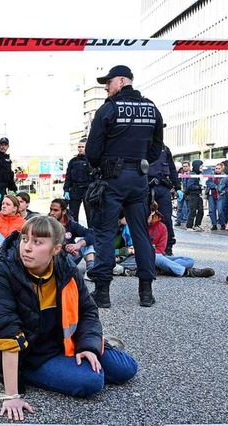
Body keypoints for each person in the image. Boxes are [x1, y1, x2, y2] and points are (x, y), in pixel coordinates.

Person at [0, 216, 137, 421]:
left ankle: (77, 357)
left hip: (62, 342)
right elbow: (6, 331)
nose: (26, 247)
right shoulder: (3, 271)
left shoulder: (66, 269)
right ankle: (43, 371)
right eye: (24, 239)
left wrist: (88, 346)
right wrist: (12, 395)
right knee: (92, 381)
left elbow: (87, 311)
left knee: (127, 369)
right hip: (29, 354)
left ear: (56, 249)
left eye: (37, 242)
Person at [85, 65, 164, 308]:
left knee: (105, 234)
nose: (106, 88)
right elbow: (156, 149)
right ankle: (146, 293)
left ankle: (102, 293)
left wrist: (105, 165)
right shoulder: (152, 109)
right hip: (139, 178)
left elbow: (92, 151)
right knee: (141, 233)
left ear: (121, 81)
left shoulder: (108, 109)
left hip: (112, 179)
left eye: (108, 83)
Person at [147, 206, 214, 278]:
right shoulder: (137, 224)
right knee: (156, 257)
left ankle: (162, 269)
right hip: (141, 258)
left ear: (153, 212)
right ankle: (186, 272)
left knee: (189, 260)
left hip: (157, 257)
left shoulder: (162, 227)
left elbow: (160, 249)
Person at [48, 198, 96, 278]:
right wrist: (66, 249)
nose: (52, 213)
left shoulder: (71, 224)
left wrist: (77, 246)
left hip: (69, 257)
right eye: (51, 209)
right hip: (52, 258)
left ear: (63, 212)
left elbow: (92, 234)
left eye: (55, 210)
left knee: (85, 241)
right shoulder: (46, 223)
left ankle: (90, 270)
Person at [147, 145, 181, 255]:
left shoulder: (165, 149)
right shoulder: (141, 144)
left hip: (162, 187)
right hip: (145, 185)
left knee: (166, 218)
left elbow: (171, 169)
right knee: (143, 217)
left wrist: (177, 187)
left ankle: (168, 246)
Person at [63, 140, 93, 225]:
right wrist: (66, 190)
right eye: (79, 147)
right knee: (73, 215)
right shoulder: (73, 161)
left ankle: (91, 234)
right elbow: (68, 177)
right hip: (75, 189)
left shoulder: (91, 160)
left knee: (90, 214)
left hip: (88, 190)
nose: (80, 149)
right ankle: (73, 234)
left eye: (82, 147)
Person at [205, 162, 226, 231]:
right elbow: (208, 182)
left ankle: (222, 223)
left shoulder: (225, 176)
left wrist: (224, 192)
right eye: (216, 168)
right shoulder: (212, 175)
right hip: (211, 194)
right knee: (211, 210)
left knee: (220, 211)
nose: (217, 170)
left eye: (218, 168)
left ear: (222, 169)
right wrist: (214, 186)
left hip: (220, 195)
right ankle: (214, 224)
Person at [184, 159, 204, 232]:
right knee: (193, 211)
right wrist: (199, 187)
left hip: (197, 195)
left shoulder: (197, 175)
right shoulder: (193, 175)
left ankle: (197, 225)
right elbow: (190, 186)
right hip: (193, 195)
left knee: (201, 210)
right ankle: (189, 226)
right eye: (201, 166)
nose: (202, 168)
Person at [175, 161, 190, 227]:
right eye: (184, 166)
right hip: (180, 192)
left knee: (189, 207)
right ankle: (178, 220)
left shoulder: (191, 174)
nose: (185, 168)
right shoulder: (180, 174)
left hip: (188, 193)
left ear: (189, 167)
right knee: (179, 207)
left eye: (186, 166)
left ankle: (188, 220)